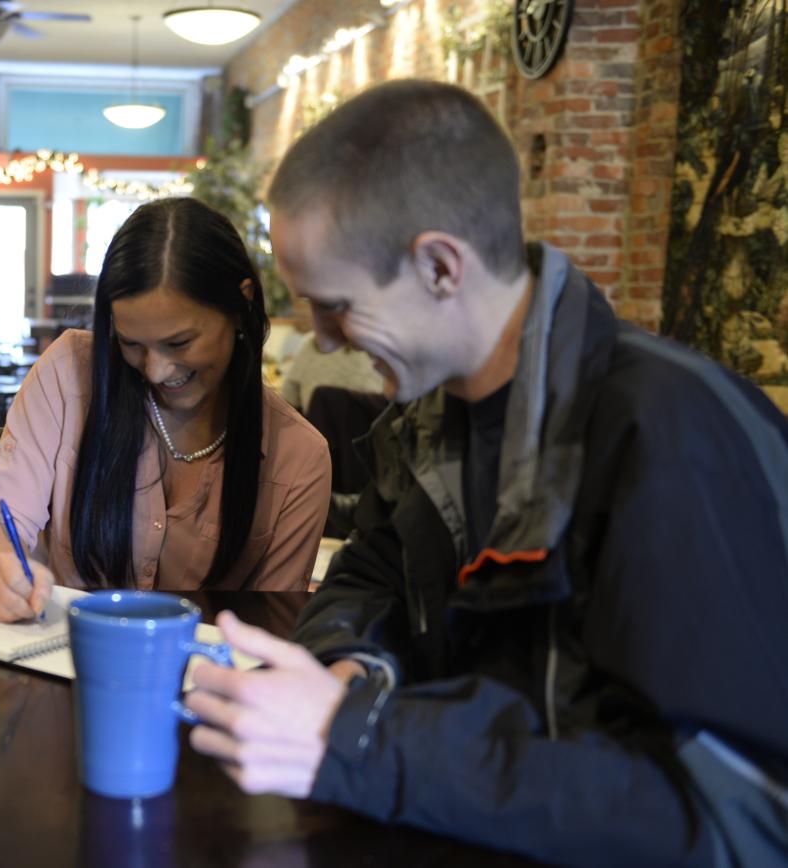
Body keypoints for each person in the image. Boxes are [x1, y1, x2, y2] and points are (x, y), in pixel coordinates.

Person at [184, 80, 788, 867]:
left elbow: (734, 811)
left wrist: (361, 740)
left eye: (335, 306)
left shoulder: (667, 436)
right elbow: (370, 578)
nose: (324, 343)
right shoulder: (424, 419)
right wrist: (344, 673)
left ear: (440, 265)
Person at [0, 197, 332, 622]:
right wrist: (0, 568)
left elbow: (273, 623)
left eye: (179, 343)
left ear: (240, 306)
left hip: (200, 681)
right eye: (131, 343)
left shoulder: (299, 458)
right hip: (52, 664)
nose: (155, 370)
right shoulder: (67, 372)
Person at [279, 332, 383, 414]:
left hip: (318, 432)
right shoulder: (381, 348)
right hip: (373, 436)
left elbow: (288, 397)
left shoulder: (311, 344)